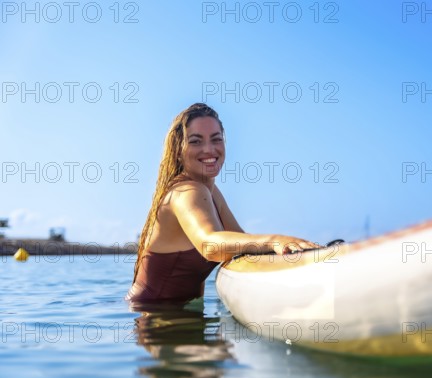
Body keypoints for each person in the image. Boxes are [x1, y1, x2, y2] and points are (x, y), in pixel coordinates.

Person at [126, 103, 321, 303]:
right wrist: (275, 240)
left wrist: (291, 251)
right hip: (154, 318)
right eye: (195, 141)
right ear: (178, 150)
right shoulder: (187, 192)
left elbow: (241, 241)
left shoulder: (210, 191)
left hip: (178, 316)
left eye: (216, 139)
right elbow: (210, 245)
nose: (209, 149)